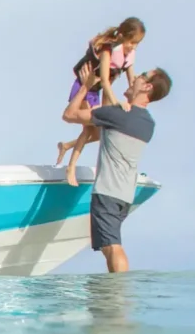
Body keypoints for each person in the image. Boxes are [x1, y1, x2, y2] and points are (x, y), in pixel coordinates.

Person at [62, 64, 172, 273]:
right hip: (125, 196)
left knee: (112, 245)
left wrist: (85, 87)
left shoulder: (117, 114)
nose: (135, 77)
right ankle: (116, 284)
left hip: (108, 191)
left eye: (142, 76)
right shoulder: (148, 123)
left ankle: (119, 288)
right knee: (108, 246)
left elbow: (69, 114)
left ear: (147, 87)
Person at [55, 17, 146, 187]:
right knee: (88, 129)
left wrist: (137, 101)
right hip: (84, 87)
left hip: (95, 91)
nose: (133, 47)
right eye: (132, 42)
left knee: (98, 133)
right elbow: (104, 80)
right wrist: (116, 102)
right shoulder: (107, 50)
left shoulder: (128, 55)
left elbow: (131, 80)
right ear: (122, 36)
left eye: (137, 44)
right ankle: (70, 168)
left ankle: (66, 146)